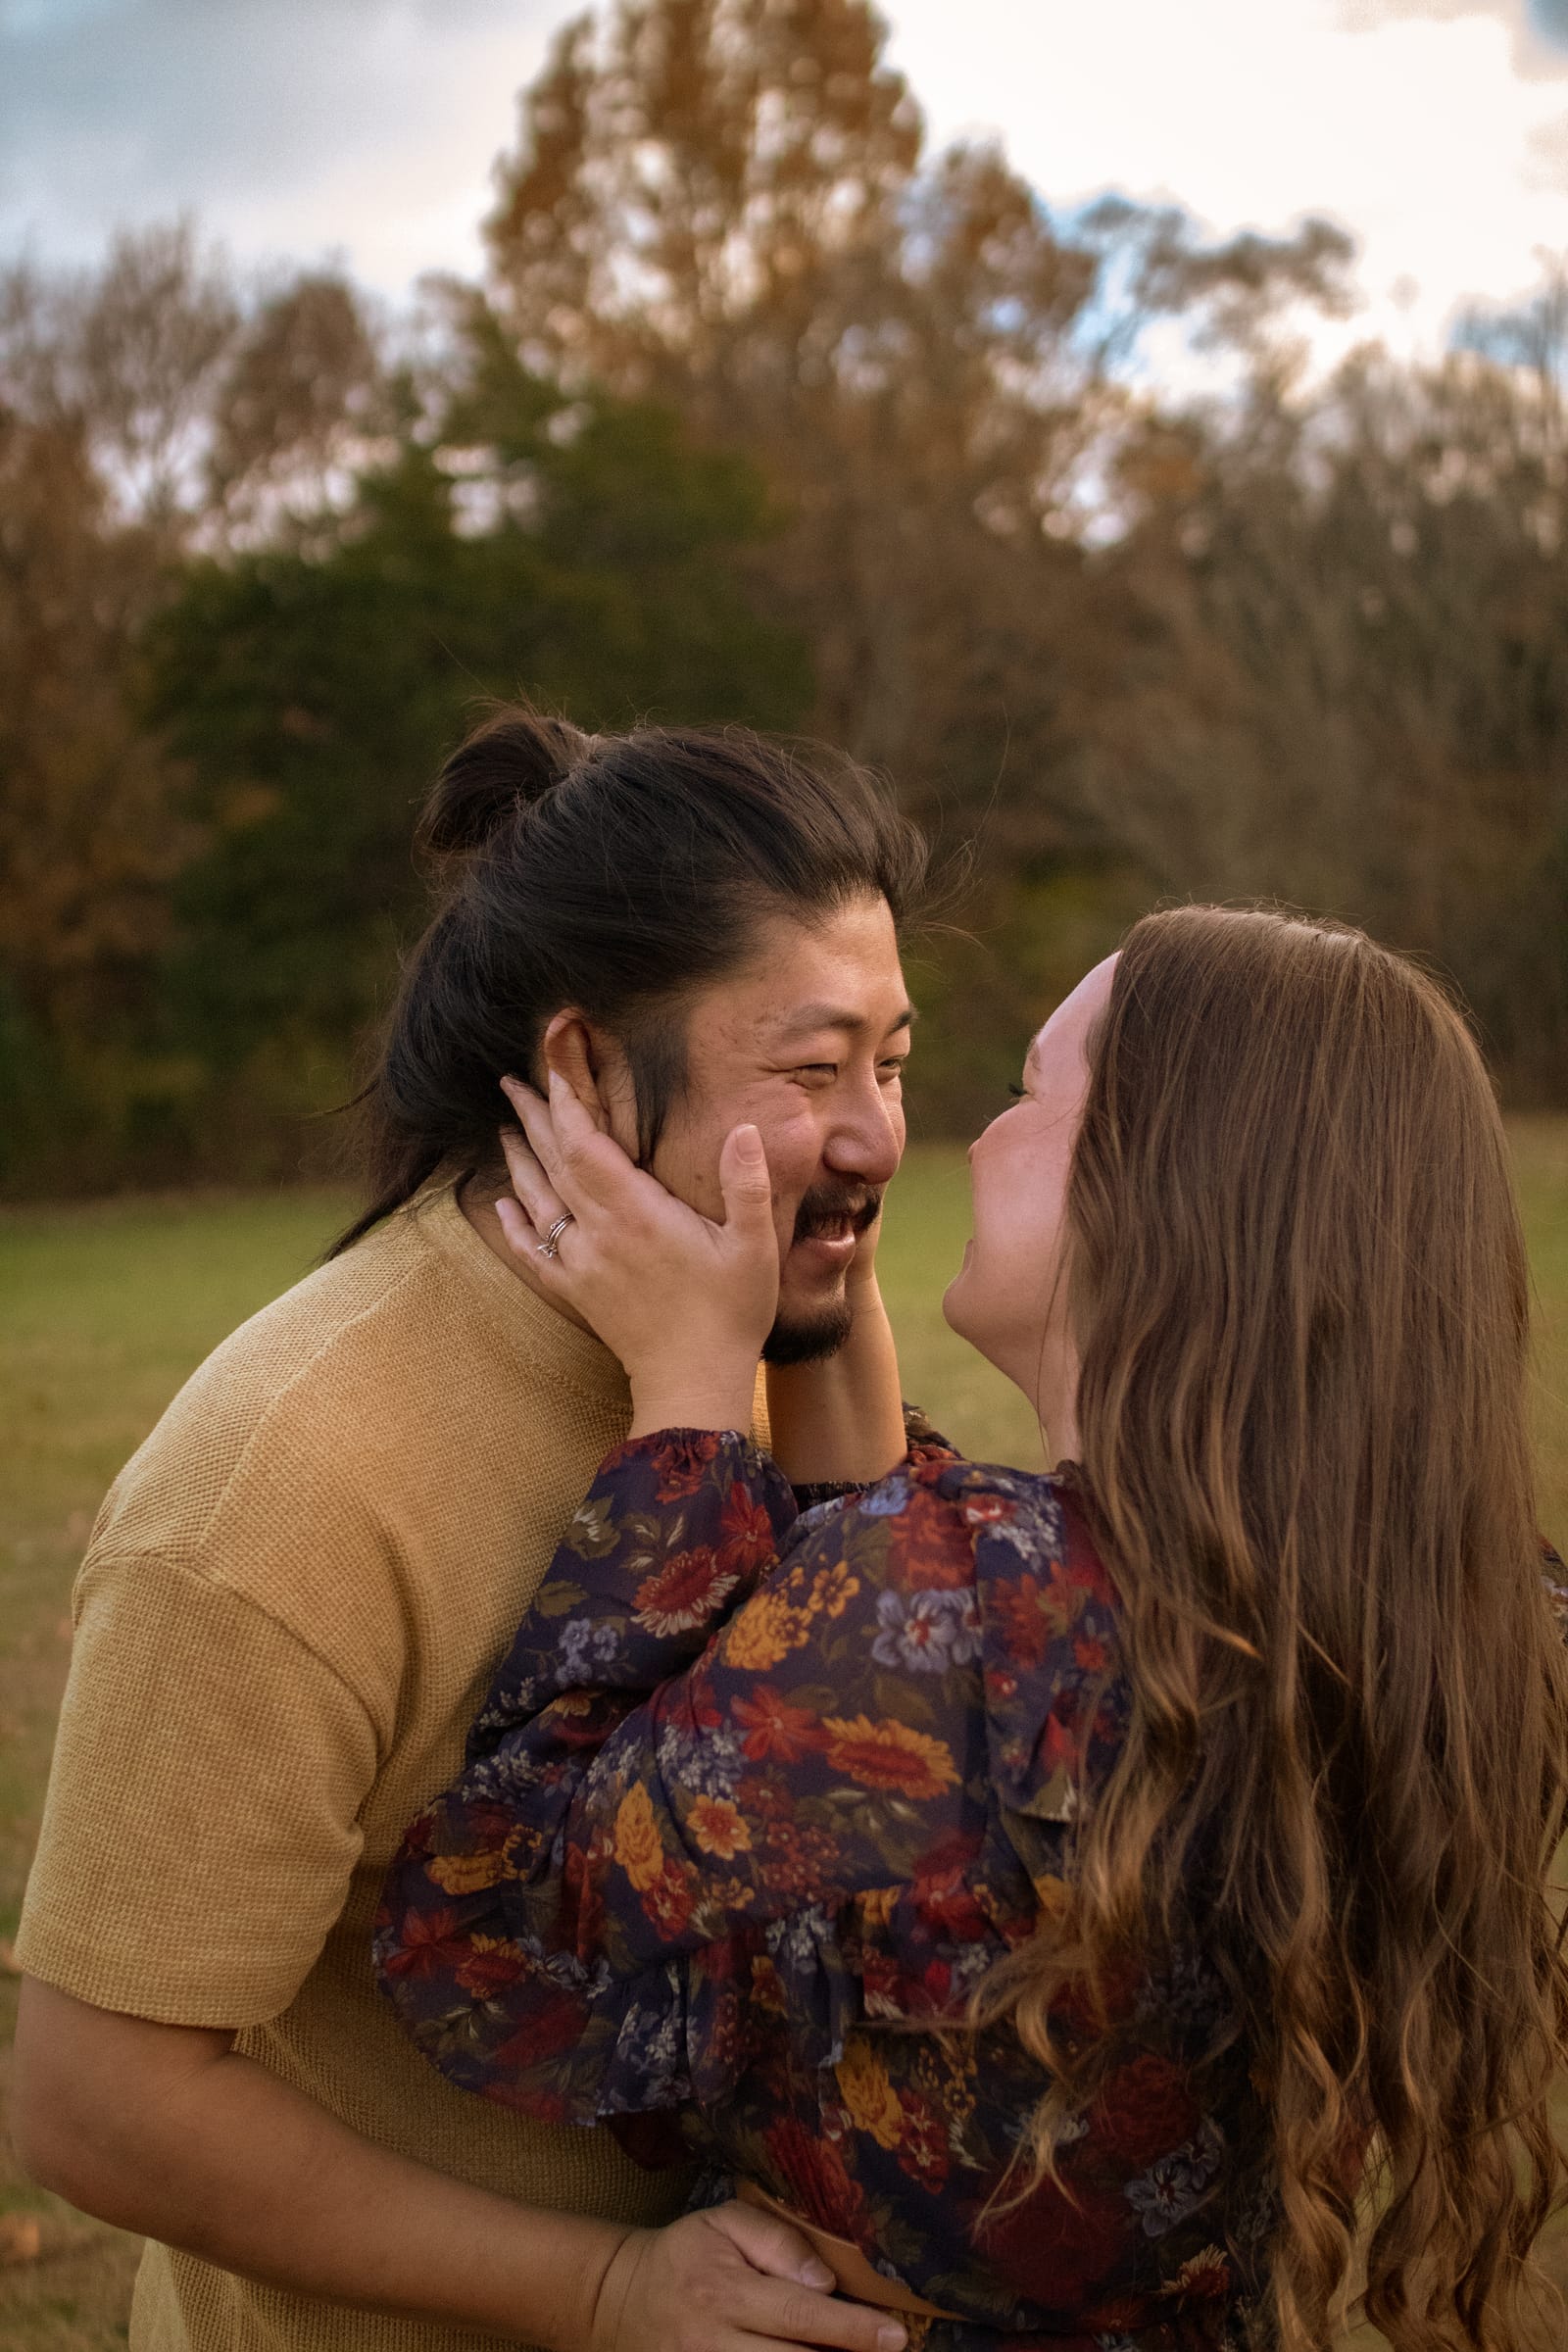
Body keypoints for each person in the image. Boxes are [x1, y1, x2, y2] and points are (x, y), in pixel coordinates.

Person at [375, 907, 1568, 2352]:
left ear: (1159, 1184)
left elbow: (492, 1942)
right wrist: (828, 1301)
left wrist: (688, 1404)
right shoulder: (1467, 1615)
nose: (947, 1139)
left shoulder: (955, 1605)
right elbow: (894, 1745)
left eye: (1026, 1091)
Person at [11, 707, 928, 2352]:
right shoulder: (285, 1484)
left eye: (895, 1059)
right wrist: (600, 2290)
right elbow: (94, 2103)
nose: (877, 1134)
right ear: (580, 1070)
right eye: (810, 1069)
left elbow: (894, 1717)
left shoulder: (778, 1329)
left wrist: (826, 1277)